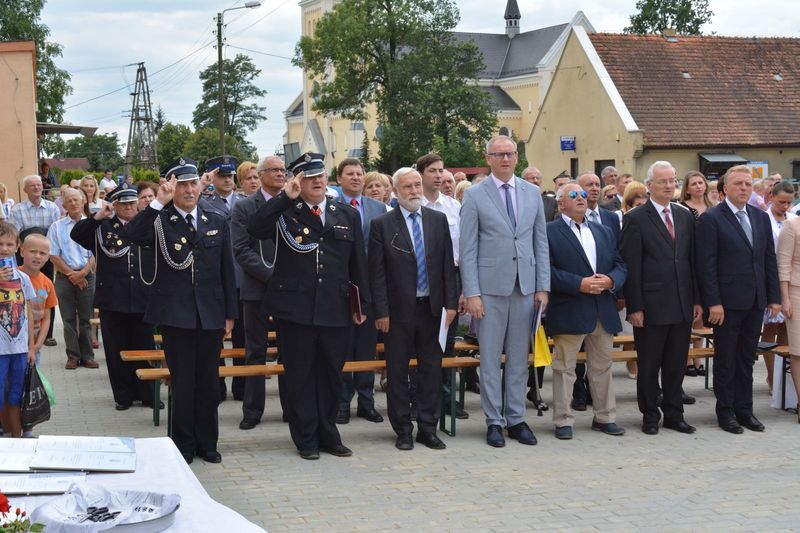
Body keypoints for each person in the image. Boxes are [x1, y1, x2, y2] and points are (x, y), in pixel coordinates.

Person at [247, 152, 369, 460]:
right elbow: (255, 229)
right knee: (300, 376)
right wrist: (283, 200)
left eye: (321, 175)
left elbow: (358, 264)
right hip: (295, 309)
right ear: (296, 181)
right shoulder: (287, 212)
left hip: (335, 307)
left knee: (332, 374)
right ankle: (306, 439)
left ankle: (329, 434)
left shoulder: (345, 213)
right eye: (308, 177)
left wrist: (362, 303)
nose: (317, 181)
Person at [122, 157, 237, 464]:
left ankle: (207, 443)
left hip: (210, 312)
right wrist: (158, 202)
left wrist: (230, 313)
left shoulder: (215, 217)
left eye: (192, 184)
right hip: (176, 313)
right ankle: (183, 444)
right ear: (171, 187)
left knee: (209, 381)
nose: (188, 190)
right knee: (183, 381)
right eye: (182, 185)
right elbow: (133, 235)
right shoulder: (160, 219)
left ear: (201, 185)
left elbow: (227, 268)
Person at [460, 135, 550, 447]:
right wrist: (471, 292)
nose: (505, 159)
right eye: (498, 154)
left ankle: (516, 418)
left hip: (524, 287)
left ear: (517, 157)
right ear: (488, 158)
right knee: (489, 359)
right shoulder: (474, 195)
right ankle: (493, 421)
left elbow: (540, 242)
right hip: (489, 290)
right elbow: (467, 248)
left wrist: (543, 286)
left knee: (517, 358)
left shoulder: (532, 192)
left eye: (510, 153)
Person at [369, 167, 458, 450]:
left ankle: (428, 428)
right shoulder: (383, 224)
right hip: (397, 313)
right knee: (397, 372)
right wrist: (381, 312)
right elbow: (377, 274)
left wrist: (451, 305)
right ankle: (403, 429)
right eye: (407, 187)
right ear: (395, 191)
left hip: (432, 310)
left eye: (417, 185)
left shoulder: (437, 220)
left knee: (431, 370)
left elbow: (447, 266)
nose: (415, 191)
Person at [695, 165, 781, 434]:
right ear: (725, 189)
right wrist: (714, 303)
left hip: (755, 300)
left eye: (747, 184)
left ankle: (746, 410)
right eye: (738, 184)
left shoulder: (759, 217)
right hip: (726, 304)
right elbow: (705, 265)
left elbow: (768, 259)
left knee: (746, 359)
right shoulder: (711, 219)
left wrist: (773, 297)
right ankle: (726, 411)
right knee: (726, 359)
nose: (744, 188)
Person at [620, 161, 701, 435]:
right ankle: (650, 416)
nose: (669, 186)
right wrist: (635, 306)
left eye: (673, 180)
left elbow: (692, 262)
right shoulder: (635, 218)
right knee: (650, 364)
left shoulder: (685, 215)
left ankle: (674, 415)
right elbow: (631, 266)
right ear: (650, 185)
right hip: (651, 306)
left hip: (681, 303)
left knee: (676, 364)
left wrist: (697, 300)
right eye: (663, 181)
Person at [547, 183, 627, 439]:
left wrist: (611, 280)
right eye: (574, 195)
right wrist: (577, 284)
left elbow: (619, 263)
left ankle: (605, 417)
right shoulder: (549, 232)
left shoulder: (603, 231)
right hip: (570, 307)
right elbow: (545, 270)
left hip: (602, 308)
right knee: (564, 368)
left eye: (583, 194)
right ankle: (563, 421)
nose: (581, 198)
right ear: (561, 203)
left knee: (602, 366)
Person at [70, 184, 157, 411]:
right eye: (123, 203)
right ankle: (123, 396)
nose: (129, 206)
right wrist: (98, 216)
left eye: (132, 202)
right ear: (114, 204)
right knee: (116, 350)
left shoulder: (148, 224)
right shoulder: (102, 227)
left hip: (143, 296)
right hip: (113, 299)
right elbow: (76, 234)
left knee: (145, 347)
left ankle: (148, 394)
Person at [418, 153, 475, 416]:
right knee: (420, 343)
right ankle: (419, 399)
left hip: (450, 278)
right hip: (420, 279)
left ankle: (445, 398)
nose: (439, 175)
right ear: (420, 174)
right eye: (433, 171)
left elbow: (464, 252)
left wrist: (464, 289)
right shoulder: (411, 204)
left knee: (447, 342)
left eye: (442, 170)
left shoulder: (453, 207)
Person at [231, 155, 284, 430]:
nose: (279, 174)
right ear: (261, 175)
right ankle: (252, 410)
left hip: (290, 291)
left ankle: (292, 408)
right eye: (274, 170)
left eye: (282, 170)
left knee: (292, 351)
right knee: (255, 351)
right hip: (256, 289)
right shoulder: (243, 207)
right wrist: (271, 275)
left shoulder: (293, 202)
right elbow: (241, 250)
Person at [335, 158, 386, 424]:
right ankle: (342, 402)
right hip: (341, 291)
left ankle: (366, 402)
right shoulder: (332, 206)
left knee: (366, 348)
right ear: (339, 178)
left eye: (359, 173)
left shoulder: (379, 208)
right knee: (343, 349)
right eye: (350, 174)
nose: (356, 177)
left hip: (371, 291)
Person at [200, 155, 247, 402]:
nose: (228, 180)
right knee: (215, 339)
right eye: (222, 176)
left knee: (243, 337)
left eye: (230, 176)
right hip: (216, 280)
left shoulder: (244, 201)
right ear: (211, 178)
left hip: (242, 278)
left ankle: (242, 387)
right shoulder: (204, 202)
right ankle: (215, 387)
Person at [47, 188, 96, 369]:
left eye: (77, 199)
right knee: (67, 319)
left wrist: (82, 273)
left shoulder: (93, 224)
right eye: (70, 200)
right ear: (64, 204)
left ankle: (88, 356)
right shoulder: (56, 227)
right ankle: (73, 357)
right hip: (64, 277)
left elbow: (96, 253)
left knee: (86, 319)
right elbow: (53, 255)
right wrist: (73, 275)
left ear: (83, 201)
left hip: (87, 276)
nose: (74, 203)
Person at [10, 175, 61, 347]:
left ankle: (48, 334)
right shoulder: (18, 209)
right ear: (25, 189)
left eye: (39, 185)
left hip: (45, 254)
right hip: (26, 253)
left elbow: (55, 232)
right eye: (32, 185)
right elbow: (15, 235)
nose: (37, 188)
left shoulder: (52, 207)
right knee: (22, 292)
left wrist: (47, 253)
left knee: (45, 292)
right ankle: (23, 330)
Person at [17, 232, 57, 437]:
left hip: (33, 347)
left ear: (49, 257)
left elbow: (47, 318)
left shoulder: (47, 283)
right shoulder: (12, 277)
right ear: (21, 250)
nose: (37, 256)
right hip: (13, 345)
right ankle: (9, 425)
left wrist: (38, 345)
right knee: (11, 385)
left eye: (43, 253)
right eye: (33, 251)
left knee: (30, 387)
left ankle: (28, 427)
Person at [0, 222, 37, 438]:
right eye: (0, 244)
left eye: (9, 244)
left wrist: (31, 346)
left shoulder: (23, 278)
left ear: (17, 247)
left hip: (19, 349)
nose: (4, 248)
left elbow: (29, 312)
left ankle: (17, 439)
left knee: (16, 396)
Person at [761, 181, 796, 391]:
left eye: (789, 202)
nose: (785, 206)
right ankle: (772, 378)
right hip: (770, 277)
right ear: (771, 197)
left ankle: (785, 378)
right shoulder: (764, 218)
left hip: (791, 278)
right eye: (781, 201)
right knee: (770, 328)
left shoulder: (793, 219)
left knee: (787, 329)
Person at [679, 170, 714, 376]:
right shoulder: (683, 209)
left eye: (701, 182)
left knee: (702, 318)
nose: (699, 186)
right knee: (690, 315)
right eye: (694, 184)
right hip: (690, 260)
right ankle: (686, 360)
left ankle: (698, 359)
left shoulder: (712, 207)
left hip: (708, 262)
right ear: (687, 188)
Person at [776, 208, 800, 421]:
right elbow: (783, 264)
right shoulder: (792, 225)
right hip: (796, 292)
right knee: (799, 351)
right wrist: (785, 298)